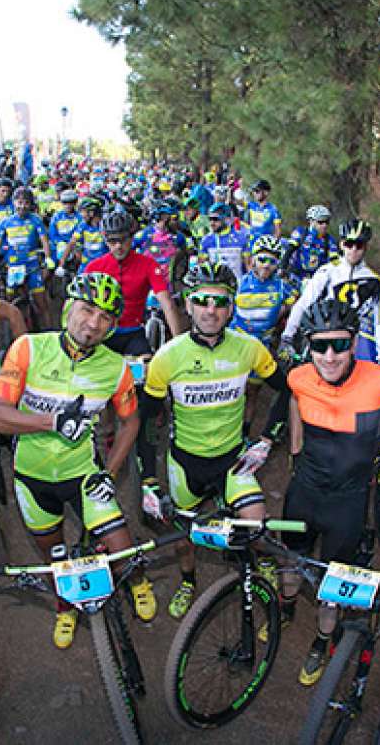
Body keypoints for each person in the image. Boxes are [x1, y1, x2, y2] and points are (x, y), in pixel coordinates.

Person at [0, 274, 157, 648]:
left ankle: (137, 580)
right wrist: (52, 421)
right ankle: (66, 607)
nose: (94, 324)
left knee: (123, 550)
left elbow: (131, 422)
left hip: (84, 475)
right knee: (54, 558)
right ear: (68, 308)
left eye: (106, 318)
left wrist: (110, 472)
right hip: (32, 478)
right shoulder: (28, 349)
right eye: (87, 310)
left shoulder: (116, 368)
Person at [280, 299, 380, 684]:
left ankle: (321, 642)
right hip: (305, 490)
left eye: (340, 344)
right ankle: (283, 611)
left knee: (331, 587)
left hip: (347, 502)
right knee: (291, 568)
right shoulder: (298, 377)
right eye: (319, 345)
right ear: (308, 344)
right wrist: (296, 446)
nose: (329, 356)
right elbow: (295, 401)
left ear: (353, 343)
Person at [136, 261, 289, 619]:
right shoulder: (168, 357)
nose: (211, 310)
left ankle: (261, 563)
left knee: (256, 523)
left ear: (231, 307)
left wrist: (268, 439)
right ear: (187, 305)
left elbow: (286, 390)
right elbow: (146, 424)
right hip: (185, 463)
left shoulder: (249, 348)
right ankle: (188, 581)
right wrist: (147, 481)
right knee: (183, 536)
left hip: (233, 460)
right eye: (202, 301)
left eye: (220, 303)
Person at [281, 219, 380, 366]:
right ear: (341, 245)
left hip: (349, 344)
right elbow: (303, 303)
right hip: (321, 334)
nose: (353, 250)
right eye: (349, 244)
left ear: (365, 247)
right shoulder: (328, 271)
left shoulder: (373, 281)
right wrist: (287, 337)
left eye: (359, 245)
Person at [84, 209, 183, 357]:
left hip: (134, 333)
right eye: (112, 241)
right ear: (105, 240)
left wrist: (179, 345)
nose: (118, 246)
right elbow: (82, 307)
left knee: (145, 368)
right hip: (102, 334)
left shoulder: (148, 265)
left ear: (131, 238)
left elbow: (166, 303)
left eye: (123, 240)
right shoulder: (94, 267)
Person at [232, 236, 298, 439]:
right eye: (262, 259)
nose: (266, 265)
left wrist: (285, 314)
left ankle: (245, 434)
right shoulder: (239, 283)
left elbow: (298, 307)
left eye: (272, 261)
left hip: (261, 351)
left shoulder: (282, 287)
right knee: (234, 394)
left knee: (252, 394)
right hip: (235, 348)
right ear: (252, 259)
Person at [0, 187, 53, 328]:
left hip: (32, 266)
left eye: (26, 203)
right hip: (13, 267)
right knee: (9, 301)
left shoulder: (36, 220)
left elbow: (44, 240)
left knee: (41, 304)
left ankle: (50, 332)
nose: (22, 206)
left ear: (31, 205)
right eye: (19, 202)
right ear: (13, 203)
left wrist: (48, 258)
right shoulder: (6, 222)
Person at [284, 205, 338, 283]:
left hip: (318, 279)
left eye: (327, 222)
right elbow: (289, 251)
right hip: (297, 276)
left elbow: (334, 260)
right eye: (320, 222)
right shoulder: (301, 232)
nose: (324, 225)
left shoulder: (330, 240)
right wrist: (282, 267)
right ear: (311, 221)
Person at [200, 202, 251, 280]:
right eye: (210, 219)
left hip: (237, 286)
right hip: (216, 287)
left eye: (215, 219)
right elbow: (202, 267)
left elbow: (249, 266)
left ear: (226, 219)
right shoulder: (206, 240)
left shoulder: (241, 238)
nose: (212, 223)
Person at [59, 196, 109, 271]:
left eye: (83, 212)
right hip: (86, 264)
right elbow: (72, 242)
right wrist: (61, 263)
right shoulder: (83, 225)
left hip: (103, 265)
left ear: (91, 213)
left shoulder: (105, 226)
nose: (81, 215)